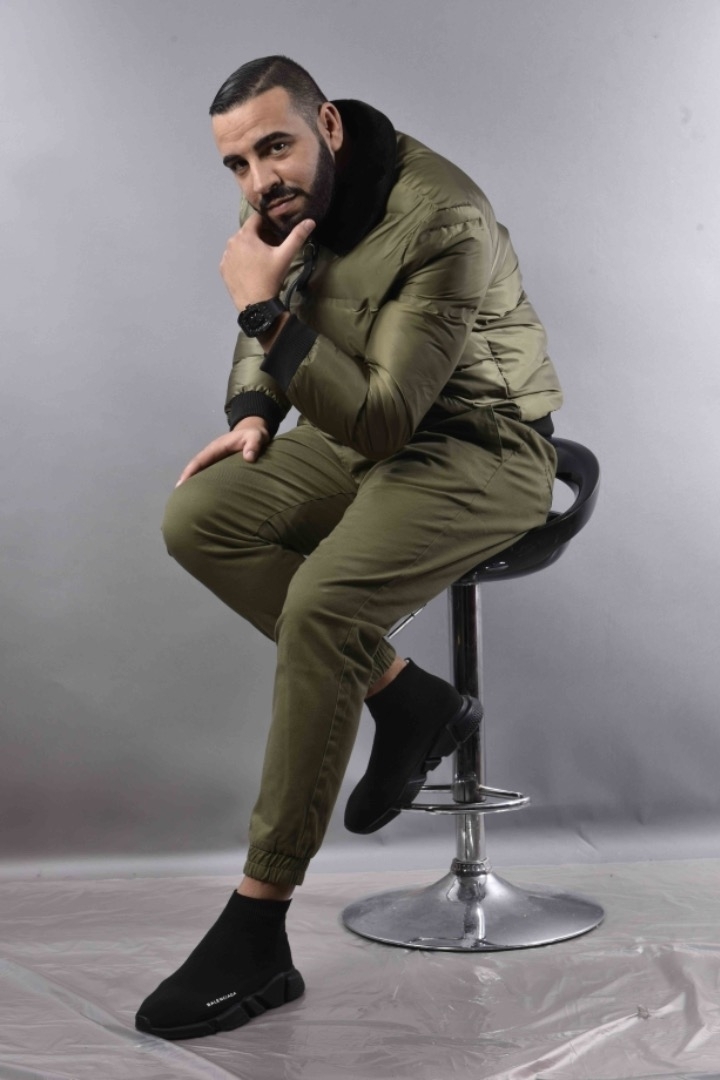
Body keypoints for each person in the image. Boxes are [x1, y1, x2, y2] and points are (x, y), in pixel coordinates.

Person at [135, 55, 562, 1040]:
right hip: (348, 431)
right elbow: (277, 316)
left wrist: (259, 311)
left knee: (324, 603)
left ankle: (258, 924)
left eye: (273, 149)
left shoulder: (444, 216)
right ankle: (406, 698)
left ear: (327, 125)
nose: (258, 181)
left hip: (479, 445)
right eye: (237, 164)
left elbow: (385, 415)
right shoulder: (288, 198)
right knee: (199, 517)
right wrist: (253, 409)